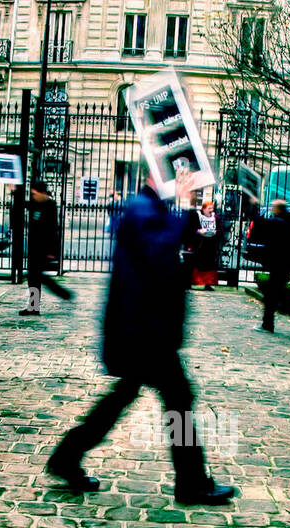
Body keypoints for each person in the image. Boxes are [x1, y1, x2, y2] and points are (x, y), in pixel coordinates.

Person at [46, 173, 236, 506]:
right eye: (176, 174)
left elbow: (179, 247)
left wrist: (186, 211)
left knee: (127, 396)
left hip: (144, 329)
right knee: (178, 398)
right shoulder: (141, 208)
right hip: (144, 332)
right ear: (154, 174)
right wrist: (186, 205)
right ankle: (191, 484)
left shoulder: (152, 208)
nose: (183, 179)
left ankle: (66, 457)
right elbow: (159, 251)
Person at [251, 199, 290, 333]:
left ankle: (268, 324)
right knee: (279, 296)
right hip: (284, 264)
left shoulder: (280, 222)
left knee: (273, 296)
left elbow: (262, 224)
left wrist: (253, 206)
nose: (271, 209)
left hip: (279, 264)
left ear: (278, 209)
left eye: (273, 207)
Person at [20, 179, 71, 315]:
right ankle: (34, 306)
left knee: (36, 277)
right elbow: (21, 203)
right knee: (34, 278)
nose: (33, 197)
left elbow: (53, 229)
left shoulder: (50, 205)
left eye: (35, 194)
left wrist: (52, 251)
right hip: (33, 247)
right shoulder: (34, 203)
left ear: (43, 193)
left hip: (43, 249)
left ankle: (58, 296)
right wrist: (14, 190)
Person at [185, 199, 224, 289]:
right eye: (209, 208)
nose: (211, 210)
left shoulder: (216, 218)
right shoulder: (197, 216)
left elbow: (220, 230)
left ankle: (208, 283)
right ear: (203, 209)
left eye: (212, 208)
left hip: (211, 245)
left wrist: (216, 232)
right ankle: (195, 282)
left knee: (210, 265)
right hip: (200, 245)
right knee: (197, 264)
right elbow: (191, 228)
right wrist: (198, 231)